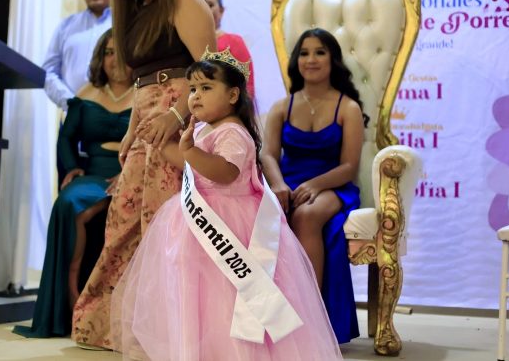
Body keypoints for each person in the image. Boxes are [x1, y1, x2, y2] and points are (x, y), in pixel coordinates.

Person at [110, 52, 343, 360]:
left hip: (232, 224)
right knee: (200, 296)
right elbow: (190, 165)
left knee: (228, 295)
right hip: (197, 222)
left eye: (206, 88)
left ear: (233, 95)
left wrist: (190, 151)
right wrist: (163, 144)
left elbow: (224, 172)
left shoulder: (233, 131)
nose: (195, 96)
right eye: (193, 89)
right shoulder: (204, 128)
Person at [71, 0, 216, 349]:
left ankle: (170, 330)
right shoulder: (134, 9)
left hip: (181, 123)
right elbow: (143, 82)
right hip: (148, 123)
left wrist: (176, 114)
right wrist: (132, 131)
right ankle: (116, 328)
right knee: (124, 224)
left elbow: (212, 71)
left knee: (164, 226)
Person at [14, 29, 133, 338]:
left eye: (120, 52)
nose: (114, 59)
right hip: (92, 173)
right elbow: (66, 138)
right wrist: (71, 168)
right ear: (100, 58)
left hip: (132, 174)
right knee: (68, 202)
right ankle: (73, 301)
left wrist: (132, 171)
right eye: (108, 52)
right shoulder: (86, 93)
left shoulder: (146, 92)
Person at [261, 28, 367, 344]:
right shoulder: (282, 106)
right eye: (304, 53)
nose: (311, 59)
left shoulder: (348, 107)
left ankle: (312, 320)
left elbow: (349, 167)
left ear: (333, 60)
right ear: (296, 61)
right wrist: (278, 184)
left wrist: (315, 184)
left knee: (306, 215)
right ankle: (264, 319)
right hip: (288, 183)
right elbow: (267, 154)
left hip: (332, 185)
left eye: (320, 52)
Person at [43, 0, 112, 111]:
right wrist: (70, 102)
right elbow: (49, 72)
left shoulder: (123, 26)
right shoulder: (65, 27)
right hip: (72, 113)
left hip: (113, 114)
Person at [201, 0, 256, 98]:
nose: (206, 10)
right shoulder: (187, 44)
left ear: (221, 10)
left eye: (210, 5)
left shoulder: (234, 42)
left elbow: (247, 84)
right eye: (201, 5)